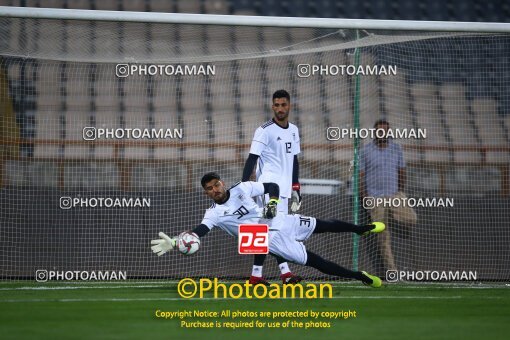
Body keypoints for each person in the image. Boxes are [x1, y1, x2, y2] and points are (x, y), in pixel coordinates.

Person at [151, 172, 385, 288]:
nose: (214, 190)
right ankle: (360, 276)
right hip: (270, 239)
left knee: (322, 224)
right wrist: (174, 242)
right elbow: (199, 232)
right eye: (209, 189)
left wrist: (272, 202)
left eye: (216, 185)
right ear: (206, 193)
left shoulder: (242, 188)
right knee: (316, 261)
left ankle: (361, 229)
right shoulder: (213, 214)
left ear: (221, 182)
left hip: (278, 220)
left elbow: (272, 186)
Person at [242, 89, 303, 285]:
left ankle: (274, 274)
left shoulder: (293, 129)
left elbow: (294, 160)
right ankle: (262, 275)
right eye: (276, 105)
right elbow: (252, 159)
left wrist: (296, 188)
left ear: (289, 106)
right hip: (268, 189)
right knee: (269, 230)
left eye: (283, 105)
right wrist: (244, 188)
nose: (280, 109)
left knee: (276, 231)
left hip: (285, 190)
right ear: (272, 106)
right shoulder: (264, 130)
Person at [359, 119, 417, 274]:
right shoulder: (366, 151)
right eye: (379, 130)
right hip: (375, 198)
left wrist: (400, 190)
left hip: (394, 194)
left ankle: (391, 217)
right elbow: (361, 174)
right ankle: (392, 271)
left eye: (385, 130)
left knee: (411, 218)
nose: (382, 133)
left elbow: (402, 170)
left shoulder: (396, 149)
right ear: (374, 133)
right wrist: (364, 195)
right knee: (383, 238)